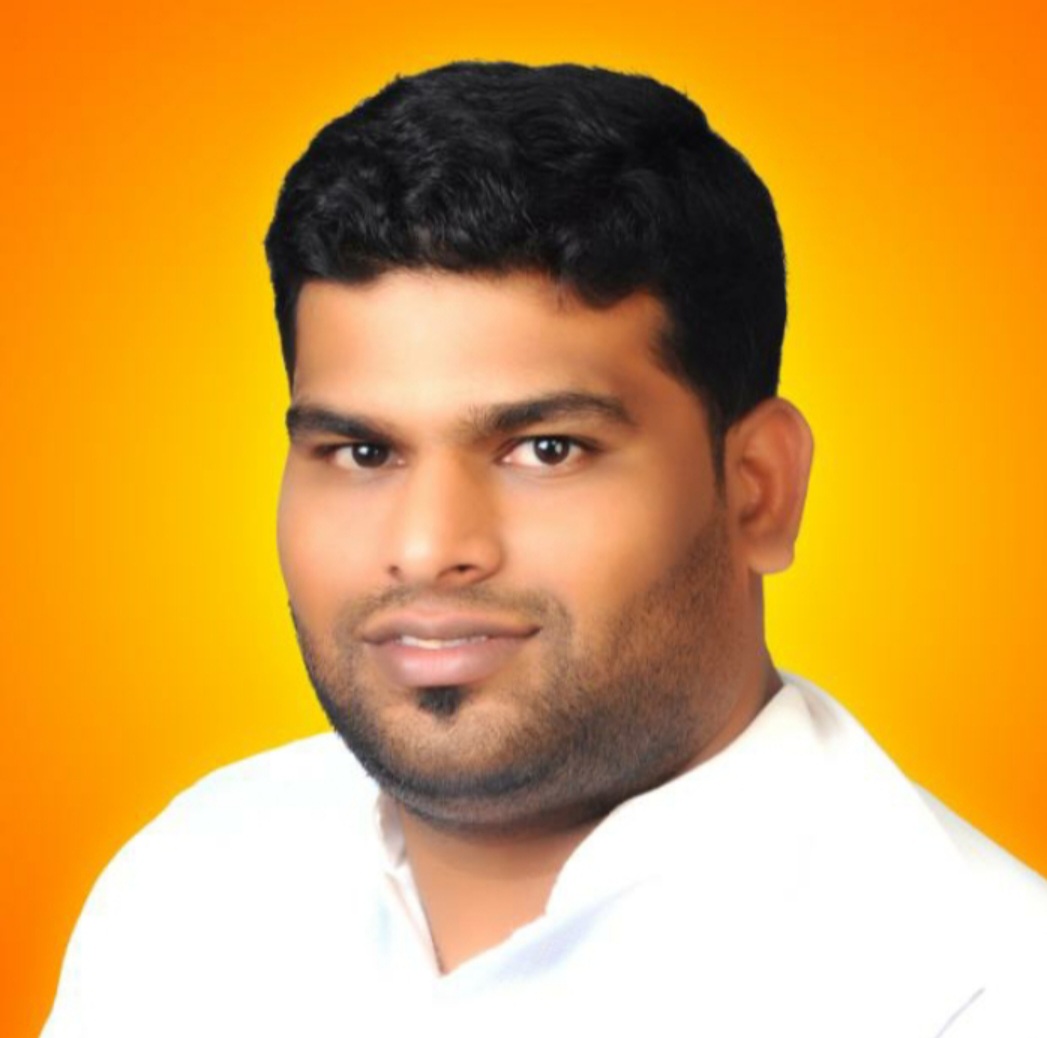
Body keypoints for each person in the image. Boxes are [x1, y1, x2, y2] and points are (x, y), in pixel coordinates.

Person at [42, 61, 1047, 1037]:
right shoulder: (187, 890)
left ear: (758, 489)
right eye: (363, 452)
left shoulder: (979, 998)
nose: (428, 548)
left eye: (546, 449)